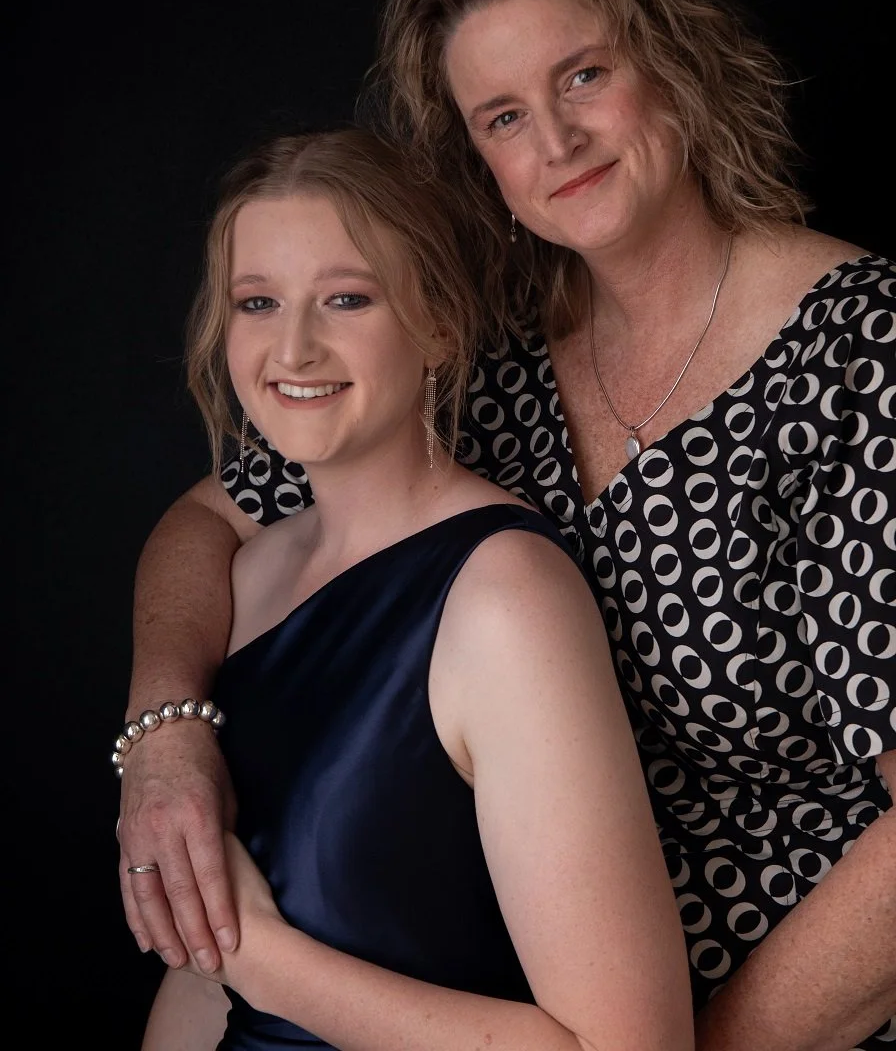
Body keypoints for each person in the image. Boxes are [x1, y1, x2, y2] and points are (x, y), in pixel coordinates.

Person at [118, 0, 896, 1050]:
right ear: (478, 163)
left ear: (672, 71)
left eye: (582, 76)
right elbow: (205, 520)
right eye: (503, 117)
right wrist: (165, 727)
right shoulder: (499, 365)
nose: (557, 140)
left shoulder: (856, 353)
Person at [130, 127, 693, 1049]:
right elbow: (203, 987)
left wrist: (254, 954)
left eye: (345, 299)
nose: (295, 348)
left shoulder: (505, 600)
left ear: (437, 323)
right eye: (258, 302)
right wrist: (222, 953)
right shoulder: (246, 579)